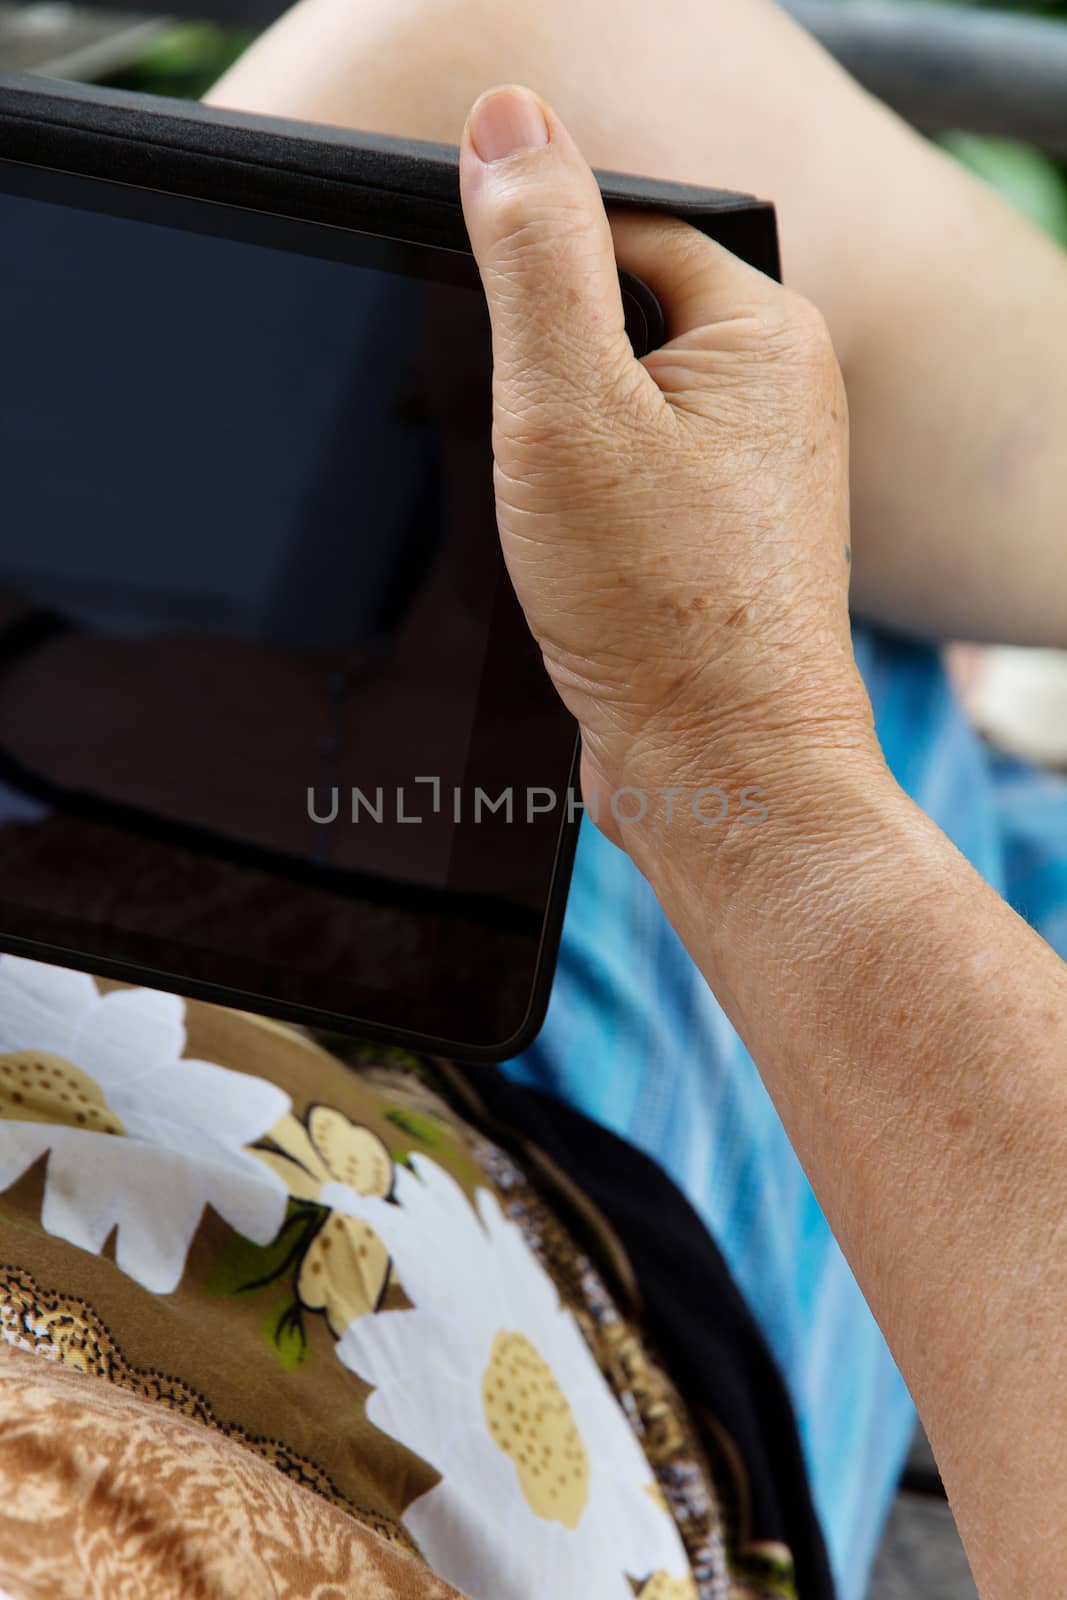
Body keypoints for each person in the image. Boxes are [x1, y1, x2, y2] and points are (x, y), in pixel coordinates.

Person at [0, 21, 1065, 1600]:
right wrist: (744, 769)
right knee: (546, 165)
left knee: (500, 109)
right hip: (563, 1247)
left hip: (122, 964)